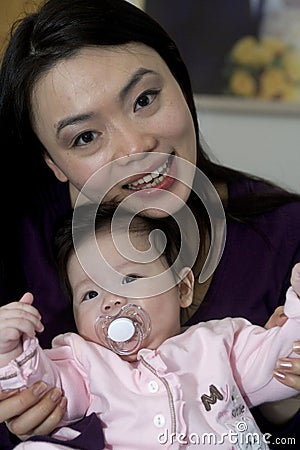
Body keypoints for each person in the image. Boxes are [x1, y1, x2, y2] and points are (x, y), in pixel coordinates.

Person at [0, 0, 300, 448]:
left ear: (181, 85)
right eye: (85, 137)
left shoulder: (287, 231)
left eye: (144, 99)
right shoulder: (12, 241)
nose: (136, 147)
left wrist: (283, 401)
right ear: (52, 162)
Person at [1, 202, 300, 450]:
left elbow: (281, 360)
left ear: (182, 289)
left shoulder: (220, 342)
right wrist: (12, 349)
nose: (110, 301)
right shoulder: (83, 362)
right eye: (90, 294)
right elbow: (40, 386)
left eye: (130, 278)